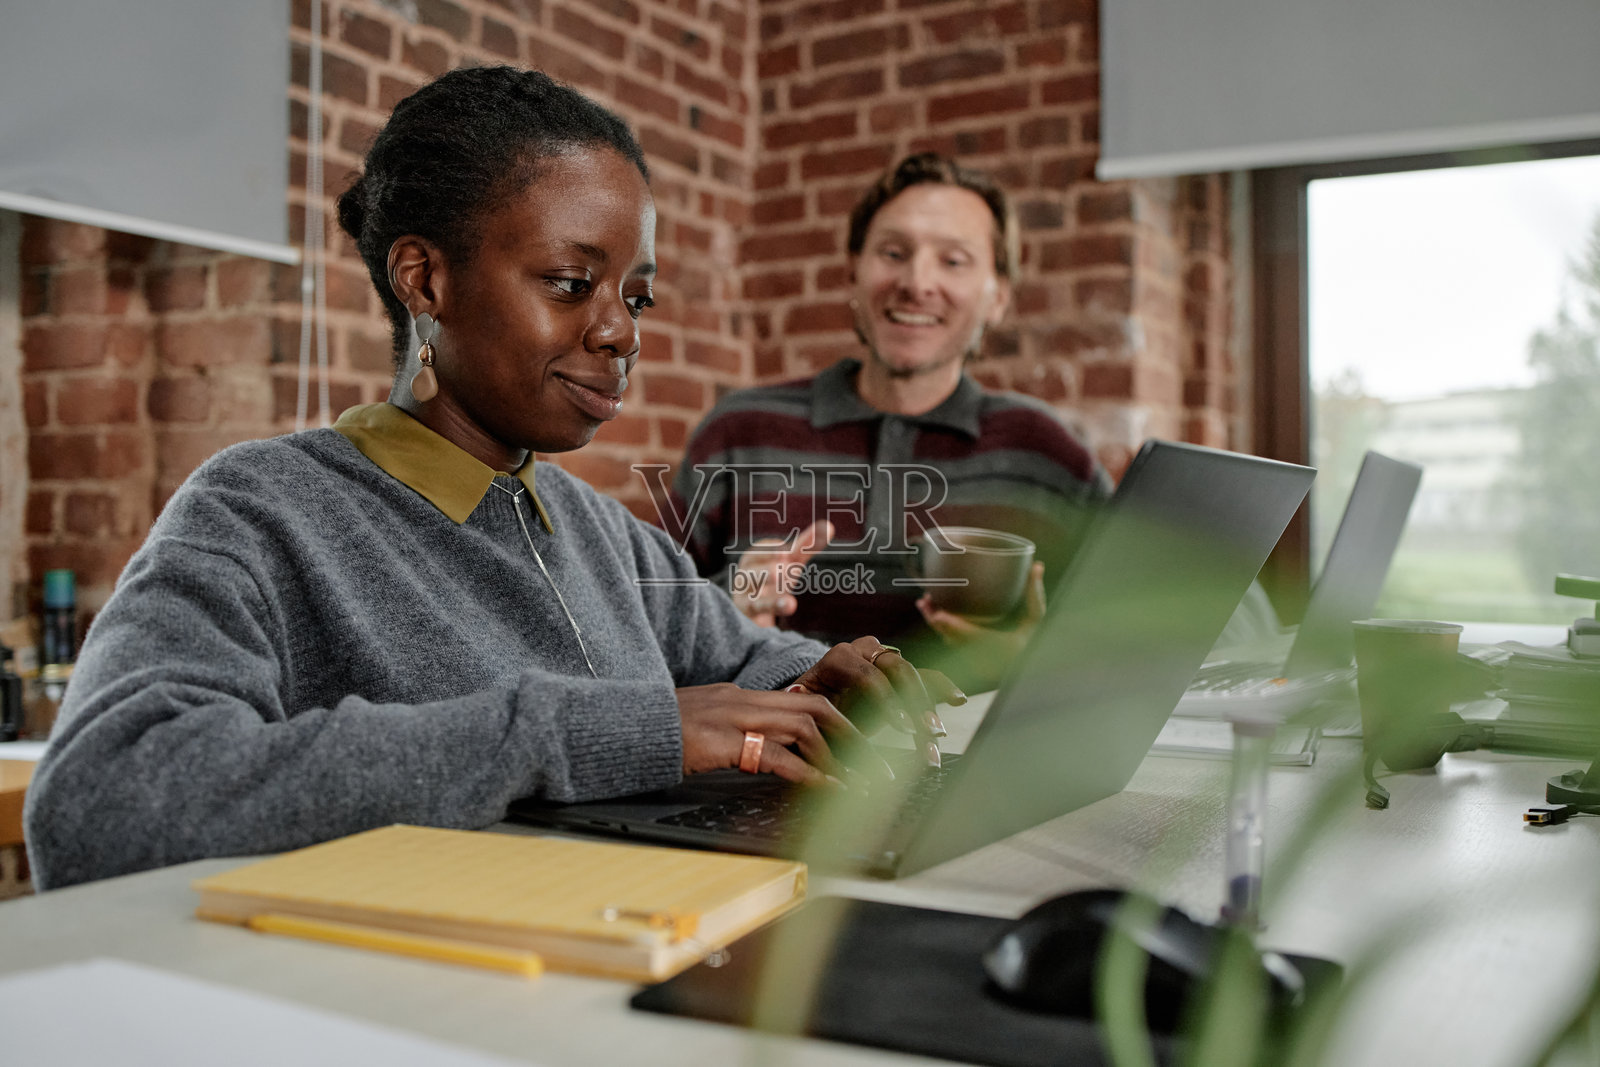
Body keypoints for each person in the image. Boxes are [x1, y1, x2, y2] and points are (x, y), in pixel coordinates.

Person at [23, 67, 952, 891]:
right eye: (567, 281)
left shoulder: (596, 530)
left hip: (651, 938)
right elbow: (99, 800)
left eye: (634, 296)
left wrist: (821, 681)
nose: (621, 332)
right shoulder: (264, 511)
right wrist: (590, 733)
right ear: (424, 282)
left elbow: (737, 661)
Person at [670, 153, 1112, 688]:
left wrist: (1037, 656)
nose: (916, 281)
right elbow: (634, 616)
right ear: (852, 273)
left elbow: (1156, 630)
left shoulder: (1047, 455)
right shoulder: (738, 432)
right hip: (768, 757)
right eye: (894, 252)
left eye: (953, 260)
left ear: (998, 297)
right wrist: (728, 607)